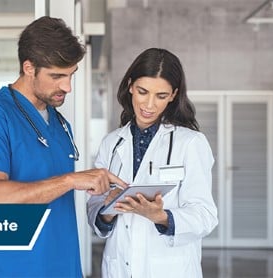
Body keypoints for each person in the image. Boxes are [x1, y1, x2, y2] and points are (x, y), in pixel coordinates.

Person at [0, 16, 126, 278]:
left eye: (71, 75)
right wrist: (70, 180)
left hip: (64, 265)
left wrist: (106, 197)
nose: (67, 87)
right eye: (57, 76)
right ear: (29, 67)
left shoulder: (60, 123)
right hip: (15, 269)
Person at [87, 48, 218, 277]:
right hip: (119, 267)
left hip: (170, 268)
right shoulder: (112, 143)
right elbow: (94, 210)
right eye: (142, 91)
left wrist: (160, 215)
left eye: (160, 96)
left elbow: (205, 216)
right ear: (130, 86)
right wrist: (107, 209)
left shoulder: (190, 143)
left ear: (173, 95)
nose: (149, 105)